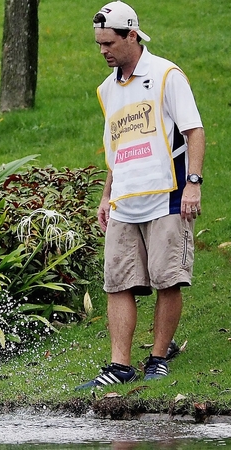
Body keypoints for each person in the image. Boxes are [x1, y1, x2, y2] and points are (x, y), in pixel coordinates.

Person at [76, 1, 205, 390]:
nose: (103, 51)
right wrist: (106, 196)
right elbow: (115, 148)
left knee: (168, 279)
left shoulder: (167, 74)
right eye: (99, 44)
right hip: (124, 200)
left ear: (131, 35)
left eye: (109, 43)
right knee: (117, 282)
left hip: (168, 195)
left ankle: (159, 358)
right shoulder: (106, 89)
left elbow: (193, 131)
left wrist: (193, 183)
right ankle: (119, 366)